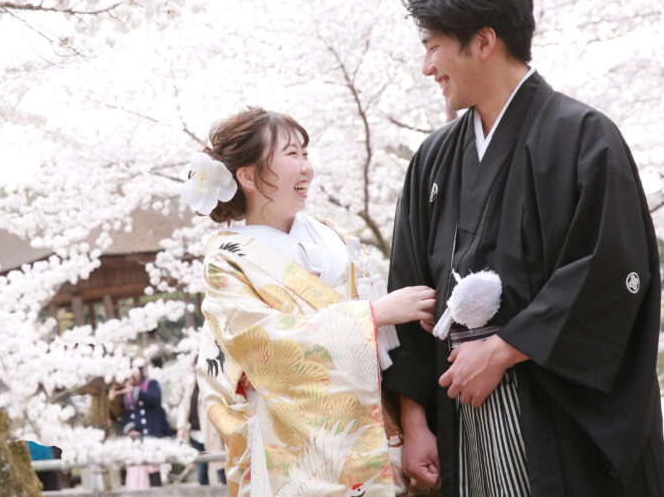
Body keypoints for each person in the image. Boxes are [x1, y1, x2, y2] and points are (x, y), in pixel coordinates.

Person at [384, 0, 664, 496]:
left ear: (485, 40)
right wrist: (415, 420)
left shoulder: (584, 137)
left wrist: (502, 349)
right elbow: (410, 291)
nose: (427, 67)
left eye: (433, 46)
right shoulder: (433, 159)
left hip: (554, 418)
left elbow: (612, 272)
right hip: (459, 416)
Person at [189, 107, 436, 496]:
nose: (307, 168)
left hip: (374, 429)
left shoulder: (335, 236)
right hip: (294, 448)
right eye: (292, 154)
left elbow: (389, 340)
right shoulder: (228, 259)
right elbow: (264, 343)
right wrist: (372, 315)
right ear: (248, 176)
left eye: (306, 153)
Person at [111, 364, 172, 487]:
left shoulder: (151, 384)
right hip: (137, 438)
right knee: (139, 469)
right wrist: (131, 428)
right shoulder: (127, 392)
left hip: (153, 432)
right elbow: (126, 413)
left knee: (154, 468)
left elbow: (155, 399)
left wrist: (135, 392)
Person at [174, 365, 226, 486]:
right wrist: (181, 426)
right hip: (195, 433)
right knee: (201, 470)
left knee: (220, 466)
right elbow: (185, 405)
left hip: (210, 432)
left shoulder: (212, 383)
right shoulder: (191, 384)